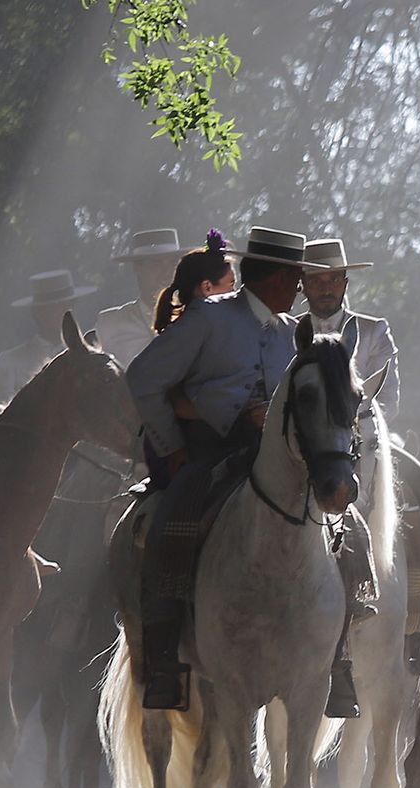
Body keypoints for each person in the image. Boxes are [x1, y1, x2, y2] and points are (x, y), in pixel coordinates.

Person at [124, 226, 323, 710]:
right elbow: (144, 378)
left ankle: (336, 657)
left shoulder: (293, 332)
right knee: (171, 523)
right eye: (297, 278)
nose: (301, 288)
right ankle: (164, 657)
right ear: (277, 278)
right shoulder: (208, 317)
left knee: (342, 525)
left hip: (276, 457)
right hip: (208, 453)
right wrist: (173, 446)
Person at [299, 238, 400, 422]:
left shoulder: (374, 331)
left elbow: (387, 401)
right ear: (303, 286)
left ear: (345, 284)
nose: (326, 288)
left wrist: (353, 423)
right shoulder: (288, 331)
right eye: (315, 281)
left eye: (334, 279)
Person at [0, 270, 98, 401]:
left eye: (64, 307)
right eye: (50, 308)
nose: (58, 313)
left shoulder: (91, 358)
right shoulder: (10, 362)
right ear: (36, 312)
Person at [97, 228, 182, 367]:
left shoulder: (198, 317)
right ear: (137, 269)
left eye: (173, 263)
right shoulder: (111, 324)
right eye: (156, 263)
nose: (167, 273)